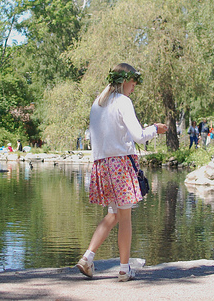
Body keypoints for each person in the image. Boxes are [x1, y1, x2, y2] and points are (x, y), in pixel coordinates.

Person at [76, 63, 167, 282]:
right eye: (133, 81)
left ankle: (88, 258)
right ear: (124, 80)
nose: (135, 85)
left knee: (114, 214)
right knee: (125, 217)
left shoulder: (98, 103)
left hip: (101, 166)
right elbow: (138, 135)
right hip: (120, 166)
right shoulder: (123, 102)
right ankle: (125, 269)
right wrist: (156, 129)